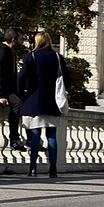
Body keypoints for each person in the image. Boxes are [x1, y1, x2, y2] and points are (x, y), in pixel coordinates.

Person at [17, 32, 70, 178]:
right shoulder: (58, 57)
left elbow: (22, 77)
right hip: (52, 101)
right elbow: (67, 79)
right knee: (52, 135)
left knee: (35, 134)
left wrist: (22, 94)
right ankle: (53, 168)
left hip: (34, 100)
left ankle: (33, 166)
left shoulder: (31, 56)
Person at [0, 27, 28, 152]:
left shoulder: (10, 51)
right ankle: (14, 138)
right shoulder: (1, 52)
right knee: (17, 104)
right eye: (21, 38)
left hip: (6, 89)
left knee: (24, 102)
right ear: (14, 39)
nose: (22, 41)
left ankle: (25, 139)